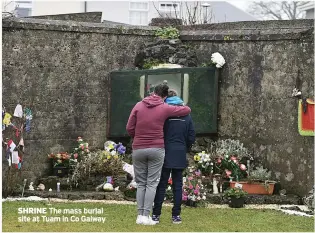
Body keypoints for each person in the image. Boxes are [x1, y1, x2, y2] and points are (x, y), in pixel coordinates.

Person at [126, 84, 191, 225]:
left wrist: (137, 137)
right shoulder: (164, 108)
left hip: (138, 148)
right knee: (151, 184)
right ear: (165, 96)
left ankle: (140, 216)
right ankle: (147, 216)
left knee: (141, 183)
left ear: (152, 92)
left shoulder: (138, 105)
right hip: (157, 148)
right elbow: (186, 109)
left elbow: (129, 127)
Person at [152, 89, 196, 224]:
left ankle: (156, 214)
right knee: (178, 185)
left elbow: (157, 131)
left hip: (165, 152)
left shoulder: (164, 114)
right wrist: (185, 148)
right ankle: (176, 215)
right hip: (180, 152)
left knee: (162, 185)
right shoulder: (187, 116)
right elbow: (191, 136)